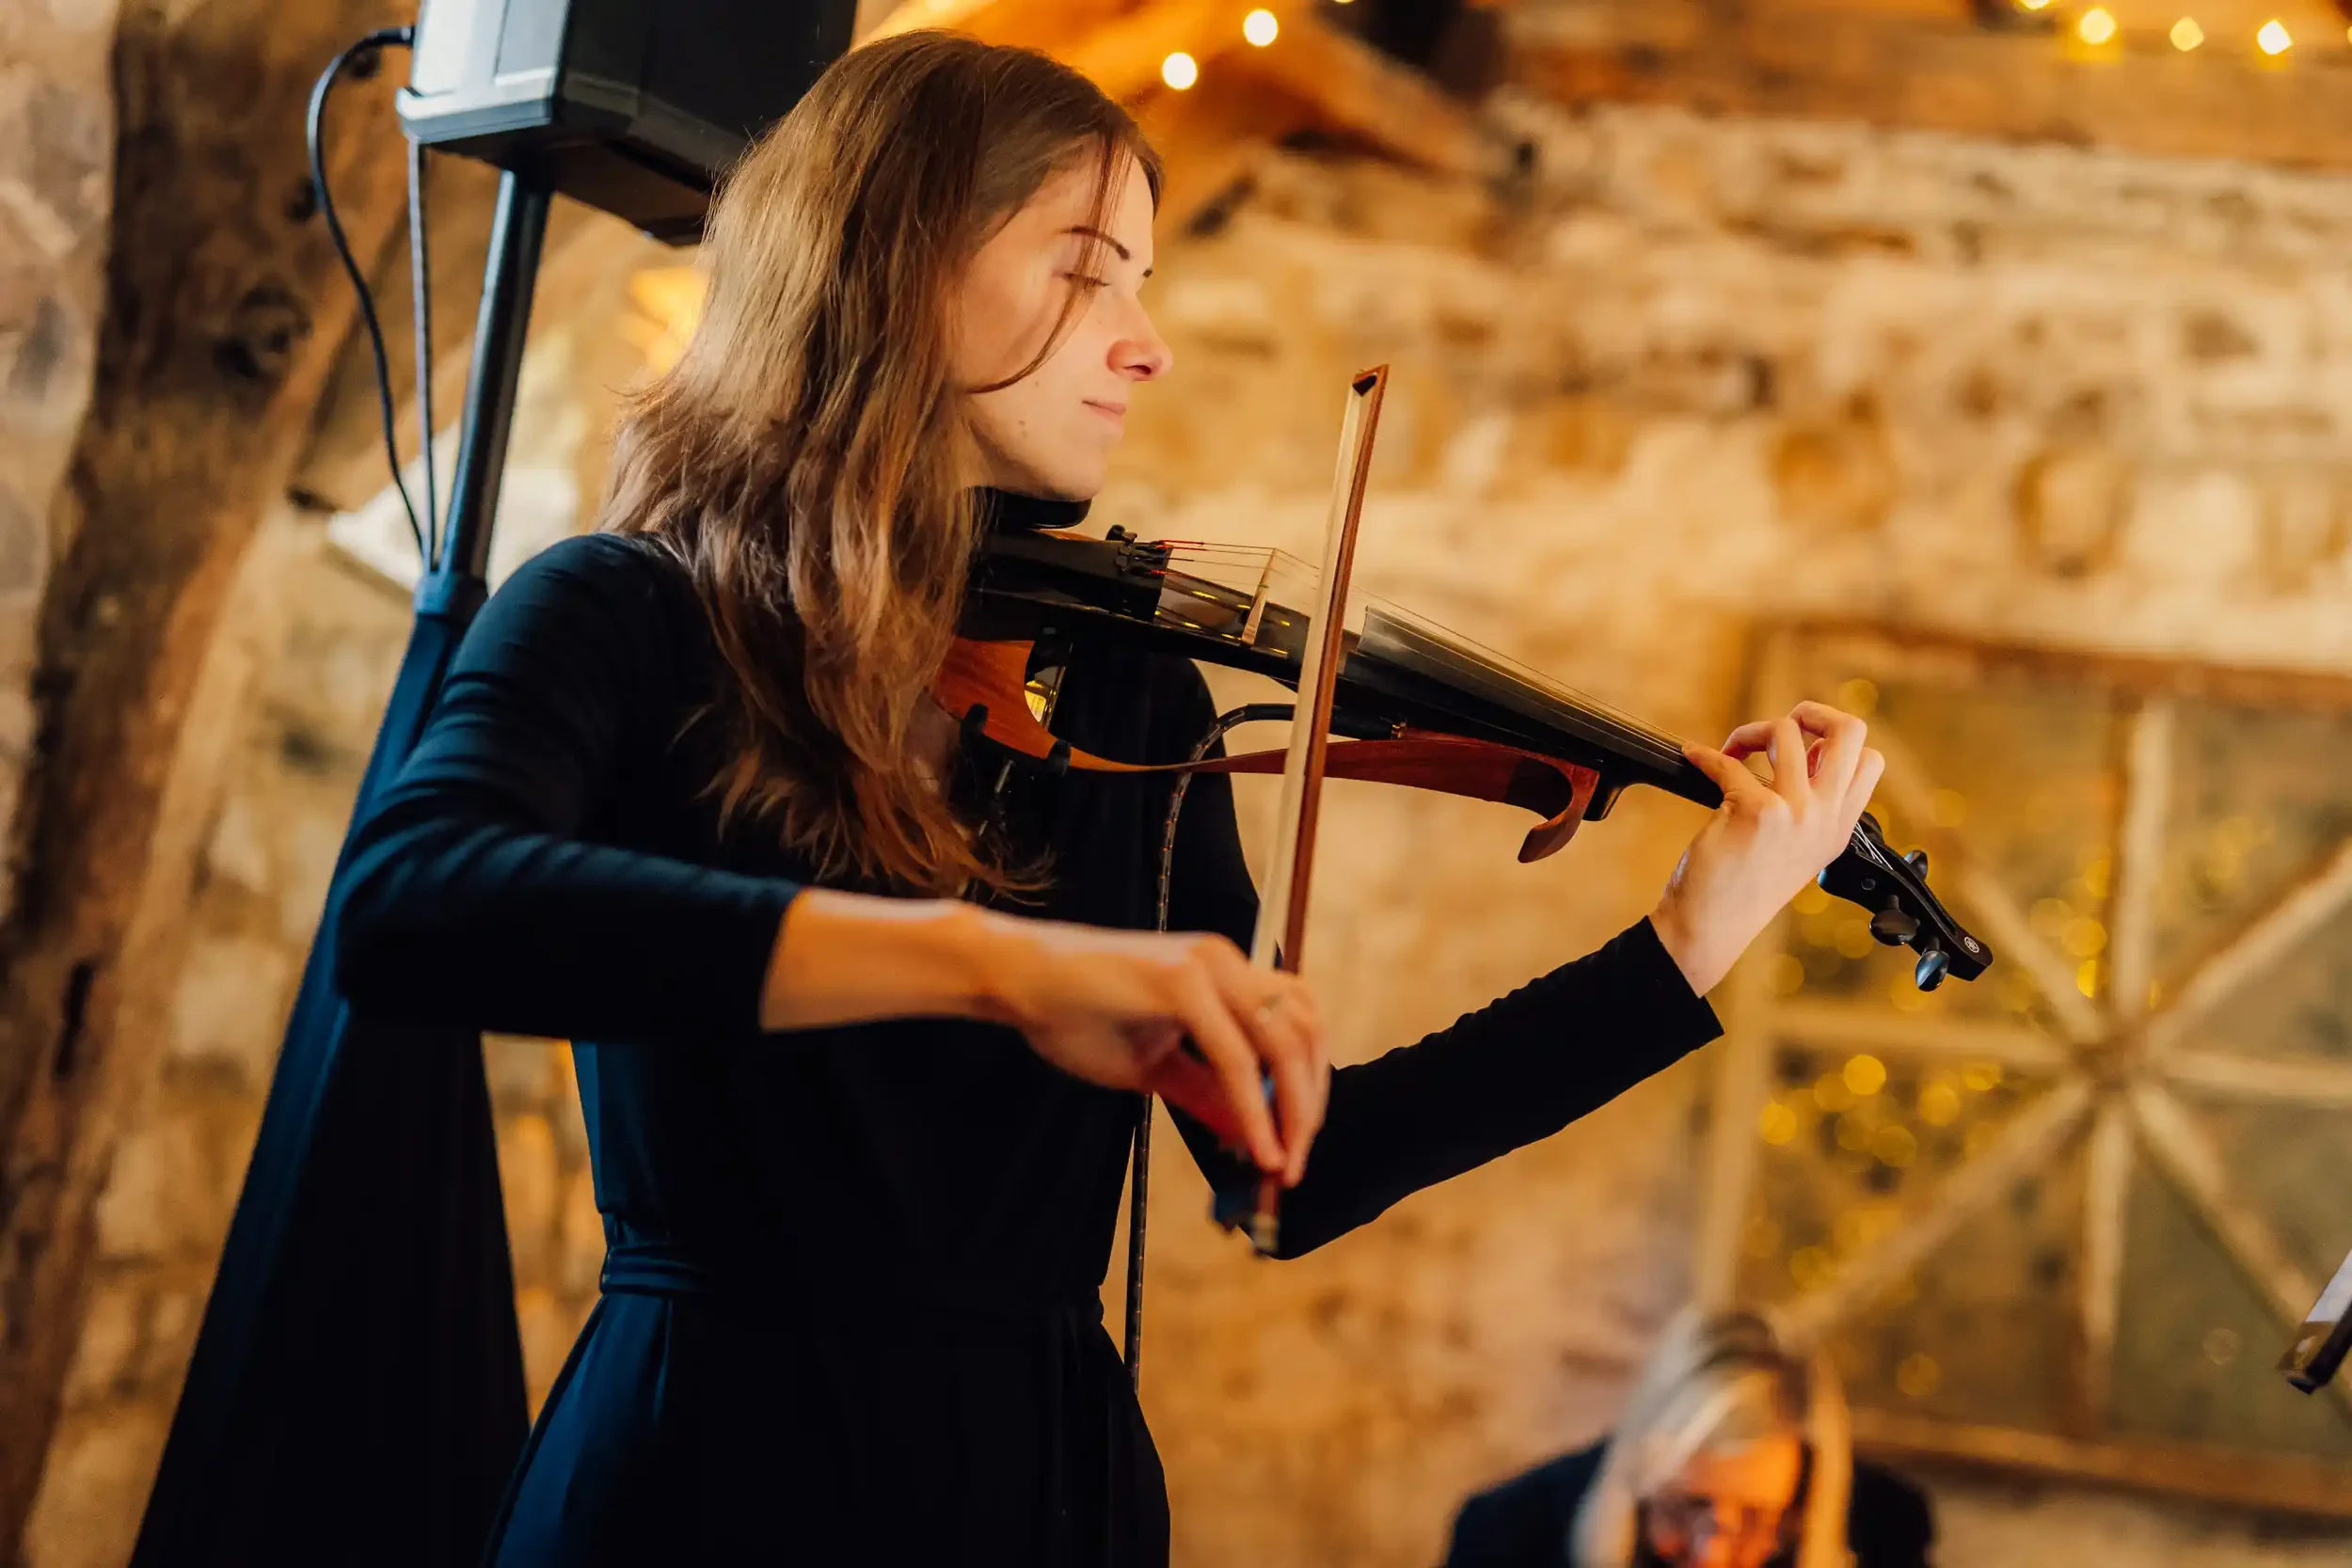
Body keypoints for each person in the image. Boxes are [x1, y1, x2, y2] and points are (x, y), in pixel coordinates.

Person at [328, 30, 1886, 1567]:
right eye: (1090, 269)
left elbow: (1306, 1159)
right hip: (704, 1472)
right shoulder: (627, 611)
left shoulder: (1128, 694)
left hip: (1036, 1489)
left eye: (1142, 279)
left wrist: (1690, 935)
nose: (1145, 341)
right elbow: (413, 908)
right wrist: (1009, 965)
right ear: (893, 262)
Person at [1444, 1311, 1934, 1568]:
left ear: (1804, 1499)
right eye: (1685, 1507)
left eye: (1756, 1521)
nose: (1712, 1555)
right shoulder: (1508, 1536)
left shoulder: (1885, 1535)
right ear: (1639, 1477)